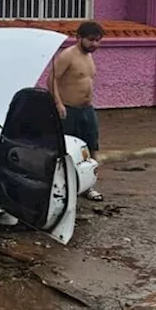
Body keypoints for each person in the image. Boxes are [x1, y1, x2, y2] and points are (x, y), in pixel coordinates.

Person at [50, 20, 105, 202]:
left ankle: (89, 186)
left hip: (86, 109)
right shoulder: (68, 55)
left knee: (91, 147)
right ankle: (62, 187)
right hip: (68, 110)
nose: (94, 44)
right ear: (79, 37)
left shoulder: (89, 57)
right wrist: (58, 104)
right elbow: (52, 79)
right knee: (65, 150)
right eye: (91, 40)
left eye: (98, 40)